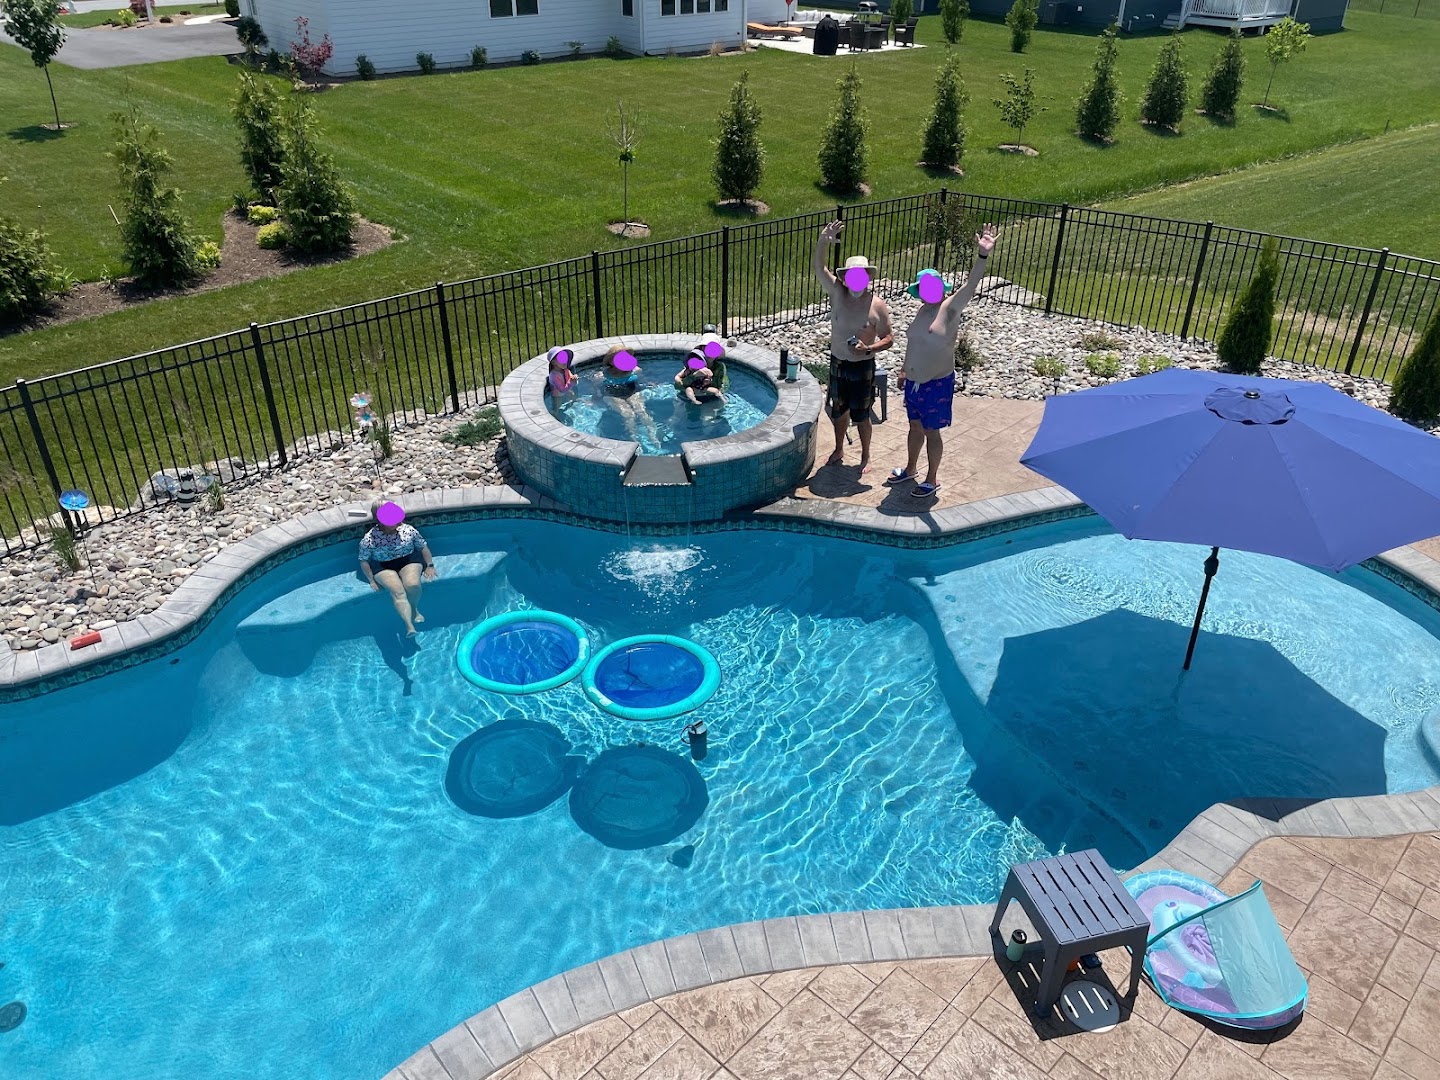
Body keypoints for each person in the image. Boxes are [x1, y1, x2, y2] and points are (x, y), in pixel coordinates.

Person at [887, 224, 999, 499]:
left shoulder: (950, 308)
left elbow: (971, 285)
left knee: (931, 432)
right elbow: (914, 343)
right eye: (924, 287)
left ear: (941, 287)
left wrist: (983, 255)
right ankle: (911, 469)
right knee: (914, 427)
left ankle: (932, 479)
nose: (929, 290)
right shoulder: (922, 311)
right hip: (913, 382)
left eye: (932, 285)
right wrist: (904, 369)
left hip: (936, 383)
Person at [813, 220, 894, 474]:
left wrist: (868, 349)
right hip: (838, 362)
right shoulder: (837, 293)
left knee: (862, 415)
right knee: (839, 412)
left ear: (868, 277)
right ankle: (839, 449)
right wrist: (823, 241)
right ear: (845, 278)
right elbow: (818, 267)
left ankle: (866, 456)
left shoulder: (876, 305)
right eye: (852, 276)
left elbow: (889, 338)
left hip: (862, 366)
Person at [358, 500, 437, 637]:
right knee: (397, 591)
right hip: (383, 565)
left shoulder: (408, 530)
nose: (398, 521)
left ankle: (414, 609)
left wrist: (430, 565)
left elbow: (423, 546)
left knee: (413, 585)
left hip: (408, 560)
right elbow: (364, 560)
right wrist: (371, 580)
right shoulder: (369, 539)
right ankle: (409, 626)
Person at [599, 346, 659, 443]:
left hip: (632, 393)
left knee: (641, 411)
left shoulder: (635, 370)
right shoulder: (602, 375)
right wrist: (593, 399)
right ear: (611, 362)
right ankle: (634, 439)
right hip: (612, 395)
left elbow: (643, 381)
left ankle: (653, 435)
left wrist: (649, 383)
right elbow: (597, 390)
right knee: (628, 414)